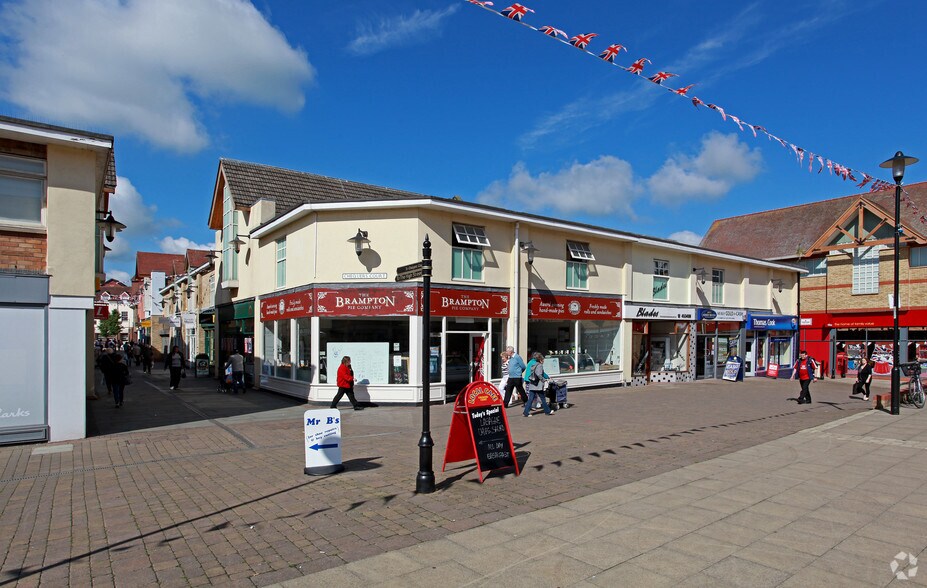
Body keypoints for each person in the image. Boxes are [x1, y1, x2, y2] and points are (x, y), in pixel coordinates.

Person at [523, 352, 553, 417]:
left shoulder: (533, 364)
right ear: (540, 359)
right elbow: (539, 374)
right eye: (543, 359)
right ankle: (547, 411)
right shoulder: (539, 365)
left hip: (532, 384)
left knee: (531, 399)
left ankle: (526, 412)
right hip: (537, 385)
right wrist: (544, 379)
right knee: (542, 398)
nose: (544, 361)